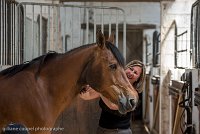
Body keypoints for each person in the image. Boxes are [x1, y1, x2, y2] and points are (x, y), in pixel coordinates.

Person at [79, 60, 146, 134]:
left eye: (135, 73)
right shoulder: (112, 85)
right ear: (126, 68)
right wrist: (82, 88)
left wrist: (100, 88)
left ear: (138, 79)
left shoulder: (133, 94)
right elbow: (87, 96)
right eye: (131, 69)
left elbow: (113, 106)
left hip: (119, 131)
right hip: (102, 129)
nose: (131, 73)